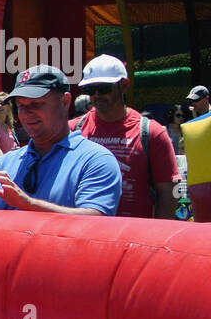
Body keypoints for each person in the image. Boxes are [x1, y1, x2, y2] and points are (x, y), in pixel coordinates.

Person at [0, 65, 121, 215]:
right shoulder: (2, 165)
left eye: (36, 104)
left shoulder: (96, 161)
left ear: (65, 101)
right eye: (21, 106)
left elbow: (96, 223)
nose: (26, 114)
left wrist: (28, 204)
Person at [70, 55, 179, 219]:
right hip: (87, 237)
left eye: (104, 88)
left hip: (135, 238)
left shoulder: (151, 133)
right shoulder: (72, 130)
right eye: (91, 90)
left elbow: (169, 192)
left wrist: (156, 238)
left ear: (124, 85)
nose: (97, 95)